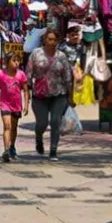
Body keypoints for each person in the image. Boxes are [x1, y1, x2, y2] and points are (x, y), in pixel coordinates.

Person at [26, 29, 75, 160]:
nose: (52, 42)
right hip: (39, 95)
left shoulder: (61, 56)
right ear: (44, 40)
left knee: (55, 121)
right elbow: (29, 74)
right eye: (49, 39)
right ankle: (38, 138)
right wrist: (27, 93)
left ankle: (53, 150)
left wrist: (71, 96)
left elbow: (68, 77)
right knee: (42, 123)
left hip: (59, 94)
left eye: (54, 40)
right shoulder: (36, 54)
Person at [0, 52, 30, 162]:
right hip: (4, 104)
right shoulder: (1, 74)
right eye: (14, 61)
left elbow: (26, 91)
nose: (17, 63)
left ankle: (12, 146)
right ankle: (6, 150)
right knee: (7, 126)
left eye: (18, 61)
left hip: (16, 105)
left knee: (14, 128)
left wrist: (26, 105)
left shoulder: (21, 74)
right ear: (7, 62)